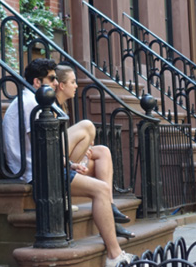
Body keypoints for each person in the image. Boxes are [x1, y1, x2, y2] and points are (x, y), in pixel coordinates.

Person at [2, 58, 133, 267]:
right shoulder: (30, 103)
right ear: (37, 82)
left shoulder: (32, 100)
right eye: (51, 79)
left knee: (100, 152)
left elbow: (42, 146)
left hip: (43, 167)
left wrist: (68, 165)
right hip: (38, 174)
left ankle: (109, 217)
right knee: (99, 182)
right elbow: (41, 147)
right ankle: (114, 254)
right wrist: (68, 163)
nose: (56, 83)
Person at [54, 64, 136, 242]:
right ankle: (109, 214)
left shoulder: (62, 107)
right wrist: (79, 156)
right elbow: (53, 149)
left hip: (65, 161)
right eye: (73, 82)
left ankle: (111, 207)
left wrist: (83, 153)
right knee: (87, 127)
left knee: (103, 151)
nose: (76, 86)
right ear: (61, 86)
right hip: (54, 166)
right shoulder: (49, 108)